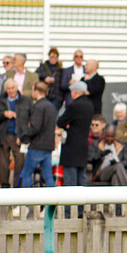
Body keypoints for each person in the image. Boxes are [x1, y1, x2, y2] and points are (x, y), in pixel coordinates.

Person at [57, 80, 93, 218]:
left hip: (71, 147)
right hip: (83, 146)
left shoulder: (74, 106)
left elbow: (60, 121)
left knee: (70, 182)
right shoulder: (89, 105)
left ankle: (68, 212)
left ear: (76, 92)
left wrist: (67, 125)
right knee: (81, 181)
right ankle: (80, 211)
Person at [0, 79, 30, 188]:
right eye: (8, 88)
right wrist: (4, 114)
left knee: (19, 163)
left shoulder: (25, 100)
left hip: (19, 136)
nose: (10, 90)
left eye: (12, 88)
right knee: (3, 164)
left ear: (17, 88)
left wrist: (25, 136)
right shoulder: (1, 100)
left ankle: (17, 188)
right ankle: (5, 187)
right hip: (4, 135)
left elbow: (31, 118)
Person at [18, 82, 56, 188]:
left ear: (36, 91)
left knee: (26, 174)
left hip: (37, 146)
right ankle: (52, 203)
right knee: (48, 176)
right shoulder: (51, 106)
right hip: (48, 146)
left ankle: (26, 202)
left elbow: (35, 127)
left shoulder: (38, 106)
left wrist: (23, 137)